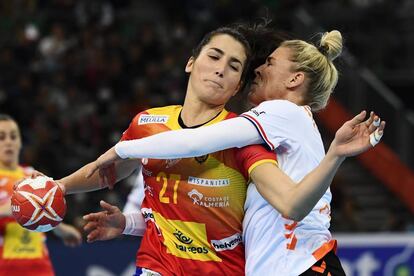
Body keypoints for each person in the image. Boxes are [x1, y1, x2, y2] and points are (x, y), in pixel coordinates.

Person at [84, 30, 386, 276]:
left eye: (269, 62)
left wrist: (121, 150)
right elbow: (289, 204)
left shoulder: (281, 111)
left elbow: (194, 142)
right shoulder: (284, 132)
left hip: (303, 266)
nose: (258, 68)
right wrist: (129, 223)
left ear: (294, 80)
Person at [49, 24, 281, 276]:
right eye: (214, 56)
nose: (220, 69)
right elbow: (107, 170)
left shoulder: (242, 135)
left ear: (237, 86)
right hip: (157, 265)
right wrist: (60, 187)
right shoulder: (147, 124)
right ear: (190, 63)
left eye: (234, 66)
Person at [0, 114, 82, 276]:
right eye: (2, 137)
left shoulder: (31, 175)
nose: (8, 141)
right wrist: (7, 210)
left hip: (39, 266)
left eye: (13, 136)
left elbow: (41, 216)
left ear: (20, 142)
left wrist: (60, 228)